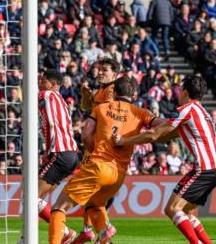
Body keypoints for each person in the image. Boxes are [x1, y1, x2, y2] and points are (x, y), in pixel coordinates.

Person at [49, 77, 162, 244]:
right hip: (119, 175)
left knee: (59, 208)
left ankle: (96, 232)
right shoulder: (141, 113)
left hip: (99, 165)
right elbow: (162, 125)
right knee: (93, 205)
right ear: (134, 94)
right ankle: (103, 232)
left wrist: (96, 152)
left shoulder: (101, 108)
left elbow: (86, 135)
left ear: (115, 92)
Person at [115, 75, 216, 244]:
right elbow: (165, 135)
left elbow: (155, 134)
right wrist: (149, 124)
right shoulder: (201, 111)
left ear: (186, 93)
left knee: (172, 208)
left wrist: (124, 141)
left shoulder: (187, 110)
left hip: (205, 168)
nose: (178, 94)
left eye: (180, 90)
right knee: (187, 212)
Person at [18, 70, 79, 244]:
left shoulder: (47, 95)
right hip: (70, 155)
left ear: (53, 85)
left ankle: (65, 232)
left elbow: (31, 98)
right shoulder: (61, 101)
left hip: (60, 153)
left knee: (30, 197)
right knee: (37, 200)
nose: (39, 83)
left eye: (43, 81)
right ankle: (25, 238)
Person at [75, 58, 119, 243]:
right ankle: (90, 229)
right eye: (100, 69)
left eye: (105, 70)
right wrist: (87, 95)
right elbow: (85, 107)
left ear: (114, 74)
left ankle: (103, 228)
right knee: (89, 189)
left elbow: (105, 116)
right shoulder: (101, 90)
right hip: (93, 145)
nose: (100, 72)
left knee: (90, 188)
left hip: (102, 147)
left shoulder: (112, 91)